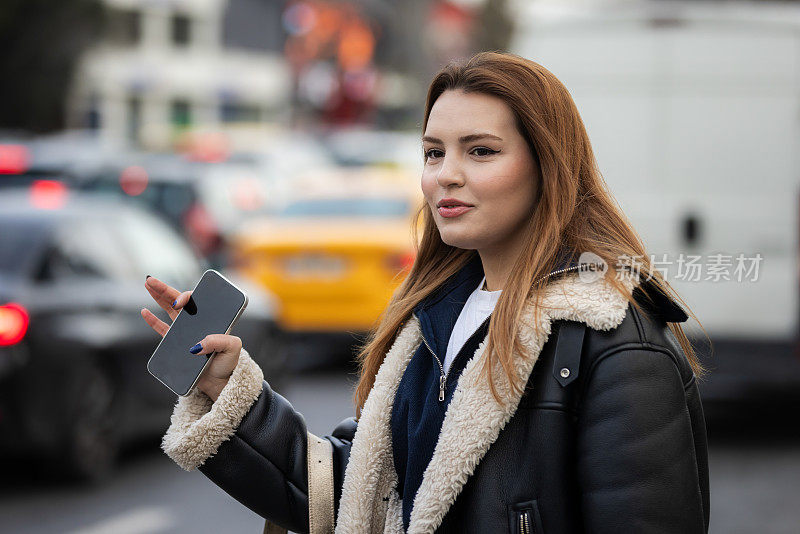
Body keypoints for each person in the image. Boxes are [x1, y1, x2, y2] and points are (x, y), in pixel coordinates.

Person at [142, 51, 710, 534]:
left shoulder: (614, 340)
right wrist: (230, 393)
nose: (446, 174)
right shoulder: (431, 321)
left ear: (548, 167)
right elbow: (363, 498)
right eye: (434, 152)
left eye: (480, 151)